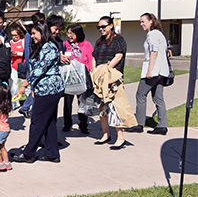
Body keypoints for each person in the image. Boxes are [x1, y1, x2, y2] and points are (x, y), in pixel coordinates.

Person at [12, 20, 65, 163]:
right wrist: (34, 88)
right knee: (49, 121)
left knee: (36, 121)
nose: (32, 36)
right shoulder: (41, 46)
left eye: (34, 33)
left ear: (42, 32)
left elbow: (40, 69)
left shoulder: (50, 47)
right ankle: (52, 153)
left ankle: (29, 153)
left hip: (50, 89)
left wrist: (25, 84)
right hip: (44, 89)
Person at [127, 13, 170, 135]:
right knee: (158, 98)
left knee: (140, 95)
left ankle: (139, 124)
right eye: (140, 22)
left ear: (151, 21)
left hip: (154, 70)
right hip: (162, 71)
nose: (141, 24)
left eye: (143, 21)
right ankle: (162, 126)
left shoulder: (152, 34)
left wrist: (150, 70)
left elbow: (154, 52)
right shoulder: (160, 34)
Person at [91, 16, 129, 149]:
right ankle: (105, 134)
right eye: (99, 27)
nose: (101, 29)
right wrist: (96, 72)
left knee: (116, 106)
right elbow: (94, 57)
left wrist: (106, 70)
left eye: (103, 26)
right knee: (102, 107)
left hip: (113, 77)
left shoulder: (119, 39)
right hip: (101, 78)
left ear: (111, 26)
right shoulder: (99, 41)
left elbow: (118, 56)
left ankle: (120, 138)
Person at [62, 24, 94, 134]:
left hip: (82, 78)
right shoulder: (65, 44)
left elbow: (90, 60)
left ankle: (83, 124)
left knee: (83, 102)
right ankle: (67, 124)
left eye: (72, 33)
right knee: (67, 102)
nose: (69, 35)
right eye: (68, 33)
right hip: (69, 79)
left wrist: (91, 74)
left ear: (78, 33)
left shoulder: (86, 45)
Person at [19, 12, 46, 118]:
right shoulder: (29, 35)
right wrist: (30, 68)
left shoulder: (43, 33)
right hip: (34, 66)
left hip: (39, 65)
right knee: (36, 89)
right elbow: (27, 52)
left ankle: (26, 107)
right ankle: (25, 107)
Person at [9, 26, 25, 110]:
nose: (14, 37)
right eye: (12, 35)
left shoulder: (23, 41)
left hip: (23, 65)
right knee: (13, 85)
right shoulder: (11, 42)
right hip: (14, 66)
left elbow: (26, 53)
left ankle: (29, 102)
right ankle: (15, 102)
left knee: (25, 84)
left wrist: (17, 53)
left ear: (19, 34)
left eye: (16, 35)